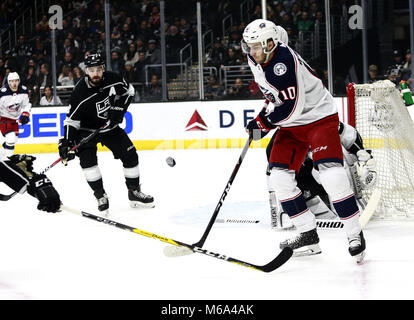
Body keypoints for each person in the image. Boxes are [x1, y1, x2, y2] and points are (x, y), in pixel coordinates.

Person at [242, 19, 366, 263]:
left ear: (270, 43)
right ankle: (307, 233)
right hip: (292, 126)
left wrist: (263, 125)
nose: (252, 51)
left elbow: (292, 108)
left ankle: (354, 235)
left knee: (331, 175)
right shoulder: (256, 58)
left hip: (318, 118)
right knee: (279, 178)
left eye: (256, 46)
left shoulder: (283, 63)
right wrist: (261, 118)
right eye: (249, 46)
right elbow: (274, 96)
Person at [58, 51, 154, 214]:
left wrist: (119, 109)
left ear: (103, 69)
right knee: (88, 162)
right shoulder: (79, 92)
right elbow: (71, 121)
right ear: (86, 71)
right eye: (91, 70)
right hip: (86, 131)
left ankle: (134, 192)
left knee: (130, 155)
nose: (95, 74)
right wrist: (67, 142)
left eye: (98, 69)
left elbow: (129, 92)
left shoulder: (113, 79)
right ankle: (100, 195)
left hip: (109, 127)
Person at [0, 72, 31, 157]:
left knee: (13, 140)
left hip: (15, 119)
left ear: (19, 81)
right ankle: (10, 159)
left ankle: (2, 155)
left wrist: (25, 114)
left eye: (16, 81)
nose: (14, 83)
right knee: (11, 139)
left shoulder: (23, 91)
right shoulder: (2, 93)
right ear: (8, 82)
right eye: (12, 81)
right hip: (4, 118)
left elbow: (27, 104)